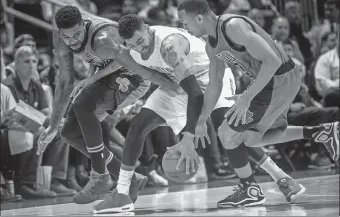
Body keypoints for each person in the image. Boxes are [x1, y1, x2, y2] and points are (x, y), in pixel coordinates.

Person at [93, 14, 306, 214]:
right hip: (178, 81)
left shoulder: (169, 45)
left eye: (140, 41)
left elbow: (195, 94)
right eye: (131, 45)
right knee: (139, 124)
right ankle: (122, 193)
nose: (138, 47)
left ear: (147, 29)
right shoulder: (132, 49)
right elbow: (120, 62)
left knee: (228, 128)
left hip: (210, 76)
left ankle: (282, 178)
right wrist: (90, 79)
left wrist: (188, 137)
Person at [176, 0, 339, 208]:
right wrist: (201, 121)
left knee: (227, 133)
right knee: (251, 139)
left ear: (198, 18)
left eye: (185, 23)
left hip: (278, 78)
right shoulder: (211, 45)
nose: (185, 28)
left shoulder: (232, 26)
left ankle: (250, 190)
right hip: (270, 84)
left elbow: (272, 60)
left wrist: (247, 97)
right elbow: (214, 85)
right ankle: (323, 132)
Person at [36, 5, 180, 204]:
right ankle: (129, 180)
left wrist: (170, 85)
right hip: (105, 74)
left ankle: (101, 176)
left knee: (82, 104)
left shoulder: (103, 40)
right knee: (70, 133)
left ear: (84, 26)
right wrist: (53, 126)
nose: (73, 41)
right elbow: (64, 82)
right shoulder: (61, 39)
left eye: (77, 34)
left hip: (133, 76)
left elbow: (136, 65)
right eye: (67, 37)